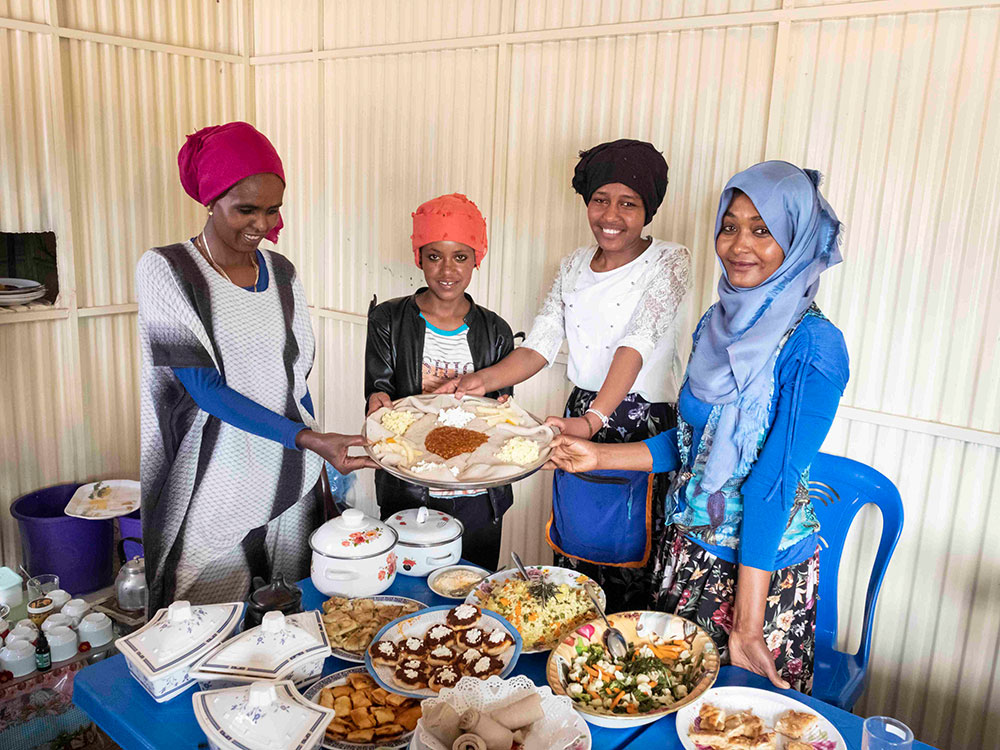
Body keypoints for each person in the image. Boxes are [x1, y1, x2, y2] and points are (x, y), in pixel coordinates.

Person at [548, 161, 849, 693]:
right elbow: (691, 446)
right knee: (663, 701)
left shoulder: (815, 346)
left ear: (798, 240)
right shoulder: (716, 323)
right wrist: (598, 456)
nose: (739, 245)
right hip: (686, 554)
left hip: (757, 576)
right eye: (730, 226)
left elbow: (771, 485)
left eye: (763, 230)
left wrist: (748, 627)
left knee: (731, 725)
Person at [438, 140, 690, 610]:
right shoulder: (573, 265)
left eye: (627, 203)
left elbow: (635, 345)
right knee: (579, 548)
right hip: (581, 413)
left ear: (648, 209)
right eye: (600, 200)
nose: (610, 215)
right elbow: (539, 344)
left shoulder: (671, 262)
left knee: (633, 557)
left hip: (640, 423)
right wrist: (479, 382)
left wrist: (593, 421)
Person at [137, 121, 375, 613]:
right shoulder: (167, 270)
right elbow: (205, 389)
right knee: (202, 614)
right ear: (210, 200)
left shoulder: (282, 273)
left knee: (287, 612)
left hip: (287, 465)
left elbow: (294, 378)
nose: (262, 225)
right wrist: (309, 439)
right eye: (246, 209)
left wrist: (320, 450)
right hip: (212, 475)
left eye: (272, 210)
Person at [365, 193, 516, 570]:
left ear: (476, 258)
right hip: (411, 487)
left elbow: (501, 413)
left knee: (473, 585)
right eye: (434, 256)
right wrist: (378, 400)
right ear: (418, 258)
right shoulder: (387, 319)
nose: (447, 270)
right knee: (410, 586)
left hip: (477, 491)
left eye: (460, 257)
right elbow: (379, 388)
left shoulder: (496, 330)